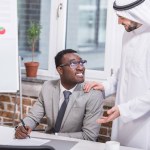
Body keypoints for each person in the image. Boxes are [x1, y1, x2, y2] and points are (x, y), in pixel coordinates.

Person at [84, 0, 150, 149]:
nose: (119, 21)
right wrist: (105, 86)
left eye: (122, 16)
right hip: (122, 118)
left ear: (135, 14)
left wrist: (124, 110)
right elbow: (125, 71)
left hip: (145, 124)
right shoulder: (127, 35)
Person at [15, 49, 104, 141]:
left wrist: (54, 136)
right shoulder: (48, 87)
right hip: (48, 145)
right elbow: (33, 117)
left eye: (81, 63)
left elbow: (89, 136)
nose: (81, 67)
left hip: (76, 145)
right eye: (73, 64)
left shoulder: (93, 93)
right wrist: (23, 127)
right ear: (60, 70)